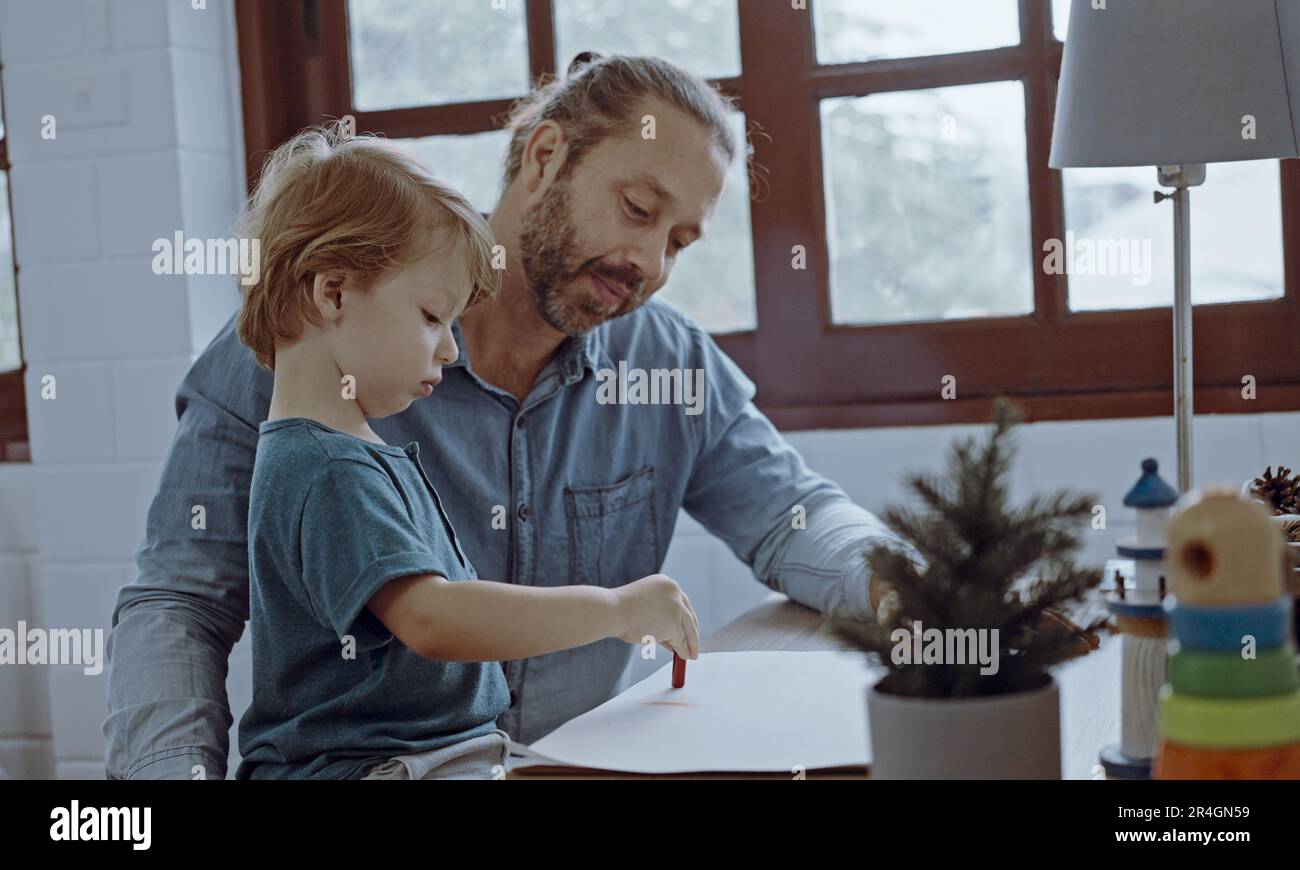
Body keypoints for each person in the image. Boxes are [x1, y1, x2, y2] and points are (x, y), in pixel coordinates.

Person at [105, 53, 907, 780]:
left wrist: (923, 593)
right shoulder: (300, 344)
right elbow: (180, 602)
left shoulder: (671, 368)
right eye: (637, 207)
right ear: (546, 155)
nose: (651, 265)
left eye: (681, 242)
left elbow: (796, 518)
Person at [231, 126, 698, 779]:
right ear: (331, 292)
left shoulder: (348, 453)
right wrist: (615, 610)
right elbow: (432, 617)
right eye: (430, 317)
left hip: (434, 756)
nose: (451, 350)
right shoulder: (328, 468)